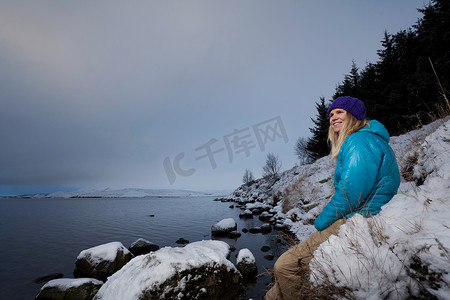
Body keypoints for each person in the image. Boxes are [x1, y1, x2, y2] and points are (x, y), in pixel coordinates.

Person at [265, 96, 400, 300]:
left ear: (354, 115)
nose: (333, 117)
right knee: (274, 292)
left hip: (361, 217)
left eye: (339, 112)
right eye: (331, 114)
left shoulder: (359, 141)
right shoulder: (368, 139)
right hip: (364, 214)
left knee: (284, 266)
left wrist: (321, 221)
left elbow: (351, 192)